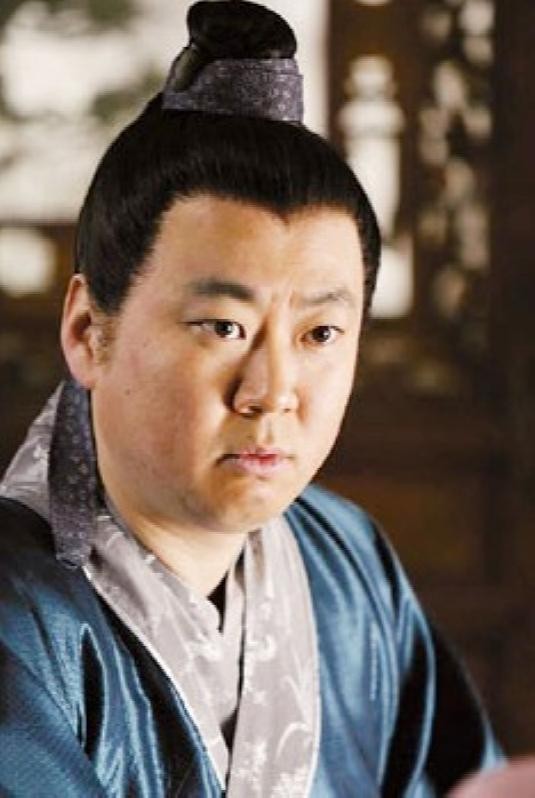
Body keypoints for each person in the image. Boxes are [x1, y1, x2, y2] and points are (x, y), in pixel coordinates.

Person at [0, 1, 501, 795]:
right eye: (222, 327)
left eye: (319, 334)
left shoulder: (345, 559)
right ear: (88, 331)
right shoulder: (23, 619)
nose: (271, 394)